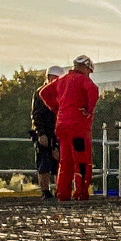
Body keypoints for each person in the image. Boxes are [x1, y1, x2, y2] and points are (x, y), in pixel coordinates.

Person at [39, 55, 100, 201]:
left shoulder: (62, 80)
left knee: (65, 162)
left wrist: (56, 108)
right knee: (82, 161)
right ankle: (80, 193)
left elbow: (44, 93)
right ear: (86, 68)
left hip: (62, 126)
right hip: (78, 127)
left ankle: (63, 195)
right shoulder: (83, 80)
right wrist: (89, 109)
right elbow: (93, 90)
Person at [30, 66, 66, 199]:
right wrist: (40, 133)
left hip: (57, 132)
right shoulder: (40, 93)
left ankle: (59, 189)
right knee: (43, 163)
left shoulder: (61, 93)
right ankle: (45, 191)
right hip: (45, 132)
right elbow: (36, 115)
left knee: (59, 163)